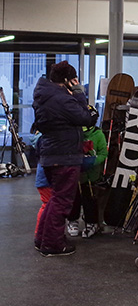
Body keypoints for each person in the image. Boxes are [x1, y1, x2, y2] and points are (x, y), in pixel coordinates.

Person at [32, 61, 94, 256]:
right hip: (65, 155)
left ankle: (42, 238)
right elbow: (85, 118)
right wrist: (79, 94)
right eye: (74, 80)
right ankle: (52, 244)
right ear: (67, 80)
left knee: (54, 199)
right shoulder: (62, 99)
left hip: (52, 154)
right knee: (61, 201)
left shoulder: (45, 96)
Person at [66, 105, 108, 239]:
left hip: (91, 176)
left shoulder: (98, 134)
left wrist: (94, 161)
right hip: (75, 175)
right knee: (74, 199)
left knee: (90, 200)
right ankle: (72, 221)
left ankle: (92, 223)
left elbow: (103, 153)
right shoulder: (73, 133)